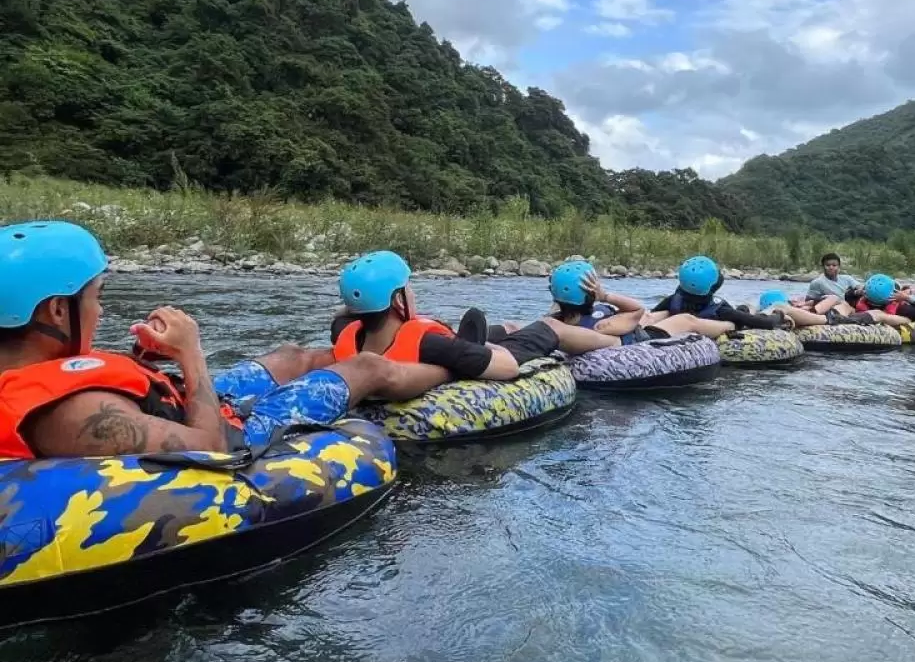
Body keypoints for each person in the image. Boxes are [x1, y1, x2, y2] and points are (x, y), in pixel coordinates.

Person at [0, 221, 449, 462]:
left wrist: (145, 363)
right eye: (96, 297)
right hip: (234, 432)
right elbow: (211, 447)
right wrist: (191, 354)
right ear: (56, 311)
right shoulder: (76, 416)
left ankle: (406, 348)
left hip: (185, 403)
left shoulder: (29, 366)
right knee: (367, 367)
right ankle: (449, 364)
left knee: (293, 356)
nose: (100, 311)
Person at [330, 251, 615, 379]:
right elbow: (508, 368)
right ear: (397, 300)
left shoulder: (345, 331)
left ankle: (502, 331)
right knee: (550, 325)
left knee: (508, 326)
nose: (413, 293)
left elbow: (347, 312)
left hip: (424, 337)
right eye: (409, 288)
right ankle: (613, 343)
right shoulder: (434, 345)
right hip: (486, 354)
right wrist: (480, 348)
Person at [547, 262, 736, 342]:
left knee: (657, 314)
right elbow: (637, 309)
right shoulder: (603, 325)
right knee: (686, 319)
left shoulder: (558, 319)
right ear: (591, 295)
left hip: (630, 326)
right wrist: (604, 296)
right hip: (644, 337)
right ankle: (731, 323)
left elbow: (558, 304)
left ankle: (710, 315)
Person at [652, 256, 795, 332]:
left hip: (726, 315)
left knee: (744, 309)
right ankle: (750, 307)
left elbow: (653, 314)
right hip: (732, 317)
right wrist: (780, 317)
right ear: (713, 286)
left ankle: (747, 307)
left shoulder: (672, 301)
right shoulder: (720, 310)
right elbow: (764, 323)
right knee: (744, 311)